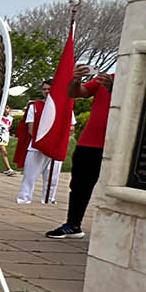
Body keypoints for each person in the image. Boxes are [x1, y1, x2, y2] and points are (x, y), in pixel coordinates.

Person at [47, 65, 114, 239]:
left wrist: (113, 89)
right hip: (90, 143)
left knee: (113, 190)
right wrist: (75, 80)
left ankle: (111, 230)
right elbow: (75, 93)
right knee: (79, 187)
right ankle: (73, 225)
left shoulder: (137, 83)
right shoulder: (106, 78)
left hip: (118, 145)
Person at [17, 80, 68, 205]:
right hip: (37, 147)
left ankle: (49, 200)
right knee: (30, 176)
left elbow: (70, 127)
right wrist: (43, 142)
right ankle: (24, 199)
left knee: (52, 178)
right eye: (44, 89)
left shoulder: (64, 106)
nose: (46, 91)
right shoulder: (34, 106)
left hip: (55, 147)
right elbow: (30, 128)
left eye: (49, 89)